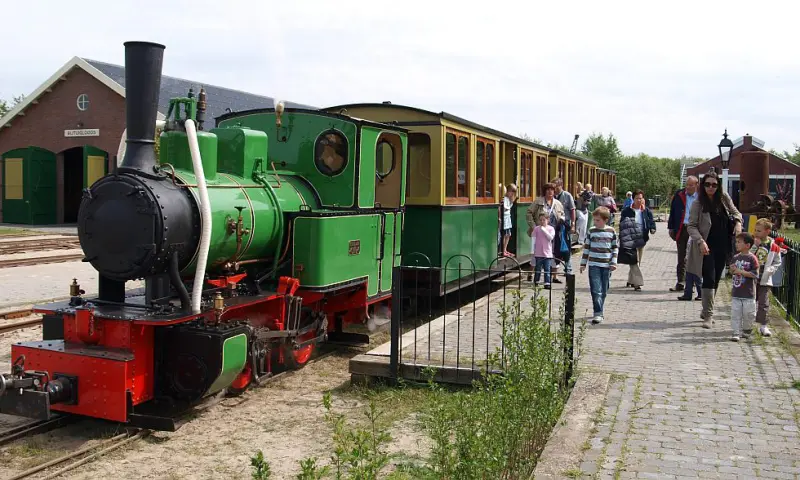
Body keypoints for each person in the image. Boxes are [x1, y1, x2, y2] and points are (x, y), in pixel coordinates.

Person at [686, 170, 743, 329]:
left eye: (714, 185)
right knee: (709, 277)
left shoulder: (723, 199)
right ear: (702, 186)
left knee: (717, 278)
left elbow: (736, 212)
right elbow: (691, 226)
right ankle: (709, 315)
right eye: (707, 185)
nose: (711, 188)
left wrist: (738, 222)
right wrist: (700, 241)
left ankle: (706, 310)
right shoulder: (698, 203)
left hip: (723, 245)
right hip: (706, 246)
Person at [580, 207, 618, 324]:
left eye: (598, 220)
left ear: (605, 220)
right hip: (594, 265)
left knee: (604, 290)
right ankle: (598, 313)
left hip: (606, 265)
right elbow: (586, 248)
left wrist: (614, 262)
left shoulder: (611, 231)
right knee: (596, 289)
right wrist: (583, 263)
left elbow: (615, 247)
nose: (595, 222)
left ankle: (600, 308)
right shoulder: (591, 231)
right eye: (594, 220)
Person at [526, 183, 565, 282]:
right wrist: (534, 227)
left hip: (552, 233)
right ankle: (531, 274)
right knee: (536, 253)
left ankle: (554, 276)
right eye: (547, 189)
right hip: (539, 233)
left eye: (552, 189)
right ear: (544, 191)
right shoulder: (538, 201)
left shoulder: (557, 203)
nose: (550, 191)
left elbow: (563, 214)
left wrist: (562, 220)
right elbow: (529, 213)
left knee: (554, 253)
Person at [619, 190, 656, 291]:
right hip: (630, 238)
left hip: (642, 238)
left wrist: (652, 228)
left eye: (641, 198)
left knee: (637, 260)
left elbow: (651, 221)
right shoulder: (627, 210)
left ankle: (631, 279)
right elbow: (622, 223)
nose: (639, 200)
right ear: (633, 199)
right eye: (637, 198)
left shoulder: (646, 210)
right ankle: (637, 283)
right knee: (633, 260)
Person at [751, 218, 782, 337]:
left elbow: (777, 261)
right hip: (752, 278)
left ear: (767, 232)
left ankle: (763, 326)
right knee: (751, 301)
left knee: (764, 302)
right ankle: (747, 324)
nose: (756, 233)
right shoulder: (753, 242)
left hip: (765, 278)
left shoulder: (773, 246)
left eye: (759, 231)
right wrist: (755, 246)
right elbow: (747, 255)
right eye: (755, 230)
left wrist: (771, 270)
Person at [667, 176, 699, 292]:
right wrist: (671, 227)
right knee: (682, 256)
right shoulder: (679, 195)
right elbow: (673, 211)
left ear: (696, 185)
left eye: (691, 185)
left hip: (696, 229)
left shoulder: (701, 197)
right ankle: (680, 282)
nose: (688, 187)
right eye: (687, 185)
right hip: (682, 228)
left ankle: (695, 283)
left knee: (695, 256)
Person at [728, 233, 759, 342]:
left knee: (749, 314)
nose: (736, 244)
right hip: (737, 292)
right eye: (736, 242)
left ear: (747, 245)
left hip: (749, 293)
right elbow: (731, 271)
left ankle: (747, 329)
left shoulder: (752, 258)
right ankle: (736, 332)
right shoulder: (735, 257)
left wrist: (741, 272)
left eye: (739, 242)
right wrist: (732, 269)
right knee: (735, 313)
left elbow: (755, 274)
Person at [553, 178, 576, 278]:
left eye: (556, 186)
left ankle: (568, 268)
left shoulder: (567, 195)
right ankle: (554, 270)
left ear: (560, 185)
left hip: (565, 225)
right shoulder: (551, 196)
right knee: (555, 248)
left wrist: (573, 224)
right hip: (553, 225)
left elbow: (572, 210)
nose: (554, 188)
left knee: (566, 246)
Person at [532, 213, 556, 289]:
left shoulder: (551, 229)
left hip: (547, 253)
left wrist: (544, 230)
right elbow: (533, 239)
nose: (542, 222)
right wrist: (532, 251)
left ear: (547, 220)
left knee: (547, 269)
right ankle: (536, 281)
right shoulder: (536, 229)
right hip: (538, 252)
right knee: (538, 268)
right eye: (541, 220)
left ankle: (547, 282)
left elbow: (550, 238)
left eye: (544, 220)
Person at [500, 184, 518, 257]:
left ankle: (505, 249)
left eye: (513, 192)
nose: (512, 193)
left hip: (508, 219)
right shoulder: (504, 199)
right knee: (504, 234)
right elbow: (504, 208)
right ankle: (503, 250)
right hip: (505, 218)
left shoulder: (510, 199)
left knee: (508, 234)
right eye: (511, 191)